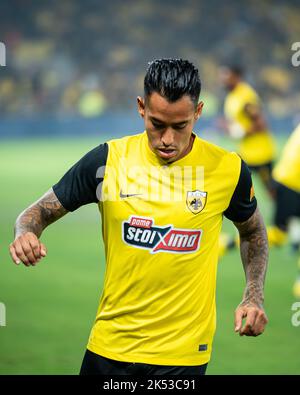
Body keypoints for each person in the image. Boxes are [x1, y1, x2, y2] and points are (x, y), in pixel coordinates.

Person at [9, 59, 268, 375]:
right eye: (157, 124)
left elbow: (253, 232)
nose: (168, 139)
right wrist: (26, 233)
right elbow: (34, 214)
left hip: (183, 358)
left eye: (181, 126)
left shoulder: (227, 169)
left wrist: (253, 296)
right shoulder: (107, 161)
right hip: (109, 349)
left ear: (198, 112)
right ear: (141, 108)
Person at [219, 64, 276, 199]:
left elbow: (261, 125)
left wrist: (239, 132)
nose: (222, 79)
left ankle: (284, 217)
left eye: (226, 75)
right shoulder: (231, 97)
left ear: (237, 77)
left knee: (273, 191)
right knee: (233, 184)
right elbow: (236, 124)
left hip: (260, 153)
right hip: (246, 153)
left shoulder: (245, 95)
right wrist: (228, 128)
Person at [268, 123, 300, 297]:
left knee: (279, 234)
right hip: (292, 184)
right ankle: (226, 244)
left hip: (286, 180)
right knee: (278, 235)